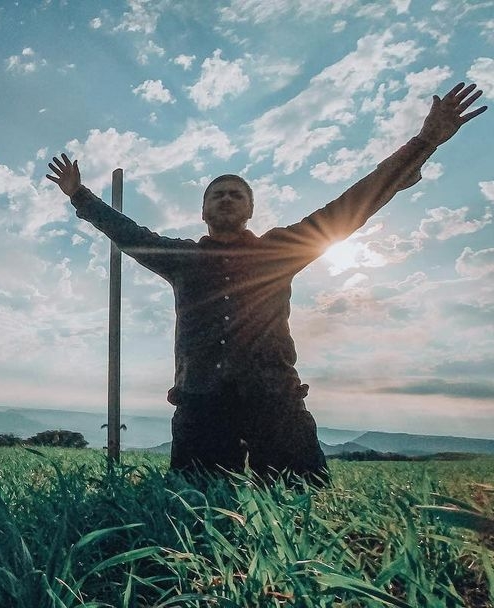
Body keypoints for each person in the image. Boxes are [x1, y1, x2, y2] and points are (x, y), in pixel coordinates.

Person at [47, 82, 486, 484]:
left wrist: (425, 143)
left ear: (250, 209)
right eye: (217, 193)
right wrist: (79, 196)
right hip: (201, 404)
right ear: (203, 210)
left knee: (303, 505)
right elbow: (128, 233)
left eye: (236, 193)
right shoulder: (183, 259)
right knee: (193, 509)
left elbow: (355, 203)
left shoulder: (279, 250)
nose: (226, 198)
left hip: (274, 400)